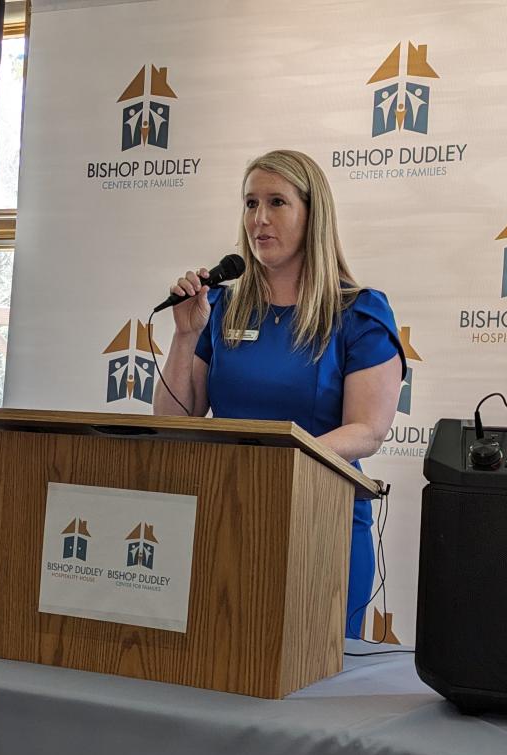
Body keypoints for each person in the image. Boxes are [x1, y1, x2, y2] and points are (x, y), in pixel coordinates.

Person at [153, 149, 404, 638]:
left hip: (318, 522)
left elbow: (367, 430)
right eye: (250, 204)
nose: (259, 219)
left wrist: (276, 462)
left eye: (276, 203)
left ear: (314, 215)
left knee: (312, 686)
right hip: (224, 515)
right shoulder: (221, 307)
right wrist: (185, 335)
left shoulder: (358, 312)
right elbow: (173, 419)